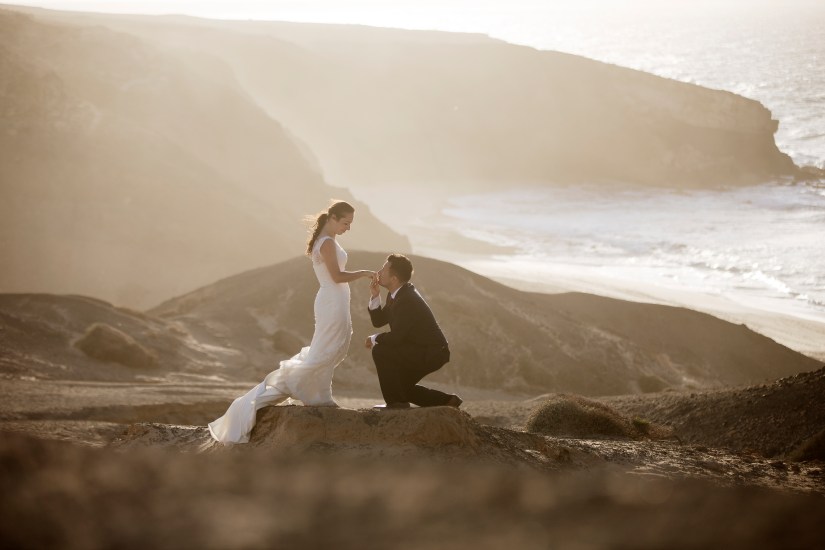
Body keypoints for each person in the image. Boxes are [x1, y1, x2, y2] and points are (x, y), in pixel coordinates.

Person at [208, 201, 374, 444]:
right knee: (328, 347)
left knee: (335, 346)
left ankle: (318, 394)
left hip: (334, 300)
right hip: (331, 301)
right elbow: (337, 276)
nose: (348, 228)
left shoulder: (326, 240)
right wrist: (364, 273)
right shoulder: (327, 243)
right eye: (346, 223)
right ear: (334, 218)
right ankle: (315, 394)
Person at [366, 254, 462, 409]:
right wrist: (375, 295)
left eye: (383, 270)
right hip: (421, 349)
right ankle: (448, 401)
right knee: (402, 387)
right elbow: (378, 321)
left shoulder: (407, 300)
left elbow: (396, 338)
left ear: (394, 279)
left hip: (432, 352)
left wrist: (374, 338)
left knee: (380, 350)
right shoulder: (397, 294)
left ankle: (396, 404)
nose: (379, 272)